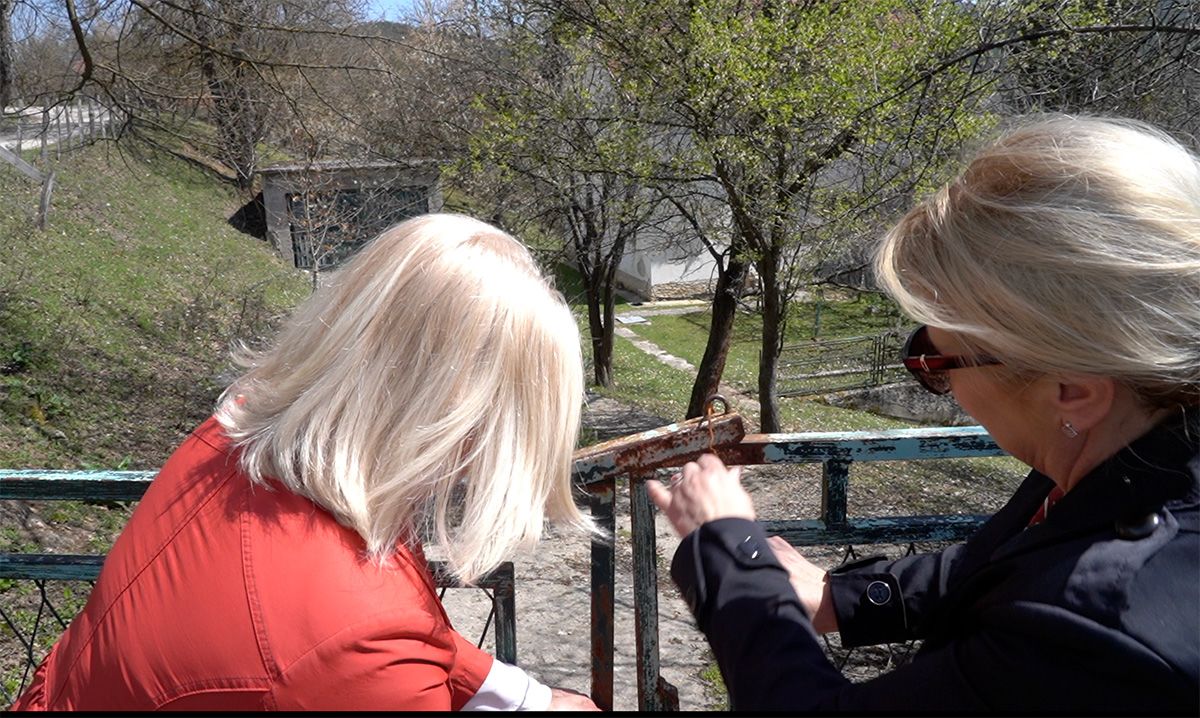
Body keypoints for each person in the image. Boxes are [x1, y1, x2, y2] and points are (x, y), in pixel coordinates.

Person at [648, 115, 1200, 712]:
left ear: (1072, 389)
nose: (931, 371)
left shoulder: (1103, 636)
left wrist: (728, 551)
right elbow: (1003, 562)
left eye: (937, 363)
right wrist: (841, 594)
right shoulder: (1137, 443)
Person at [13, 213, 600, 711]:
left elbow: (377, 635)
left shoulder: (234, 440)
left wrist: (524, 698)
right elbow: (350, 645)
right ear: (466, 420)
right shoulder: (359, 654)